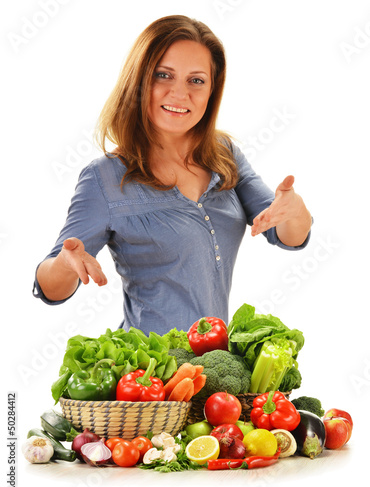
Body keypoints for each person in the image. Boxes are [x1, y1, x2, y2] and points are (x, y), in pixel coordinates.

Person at [33, 15, 312, 336]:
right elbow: (49, 287)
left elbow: (287, 234)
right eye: (163, 75)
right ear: (138, 82)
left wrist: (296, 210)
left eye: (196, 80)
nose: (180, 94)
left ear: (212, 90)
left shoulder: (225, 155)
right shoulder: (104, 177)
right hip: (144, 373)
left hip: (211, 365)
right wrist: (66, 265)